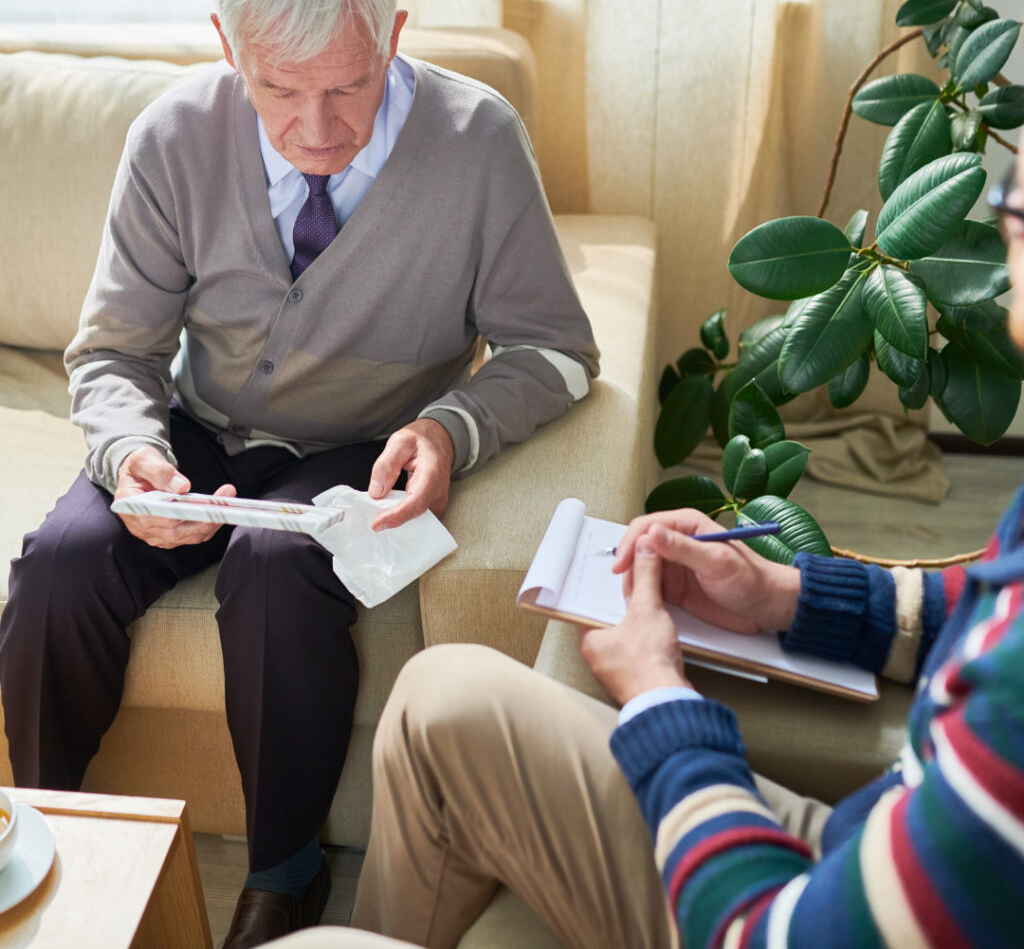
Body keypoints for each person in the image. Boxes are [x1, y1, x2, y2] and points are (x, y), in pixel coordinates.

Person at [0, 0, 598, 946]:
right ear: (228, 47)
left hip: (360, 441)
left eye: (349, 87)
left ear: (394, 34)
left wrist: (451, 428)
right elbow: (111, 356)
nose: (317, 130)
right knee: (57, 569)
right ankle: (53, 837)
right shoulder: (172, 135)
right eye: (280, 89)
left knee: (276, 581)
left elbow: (560, 350)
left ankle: (285, 873)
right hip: (193, 425)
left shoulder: (479, 140)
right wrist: (130, 454)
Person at [340, 144, 1024, 948]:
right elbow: (991, 611)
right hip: (887, 847)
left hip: (800, 911)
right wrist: (786, 595)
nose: (1001, 228)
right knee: (438, 694)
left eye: (1014, 205)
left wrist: (662, 698)